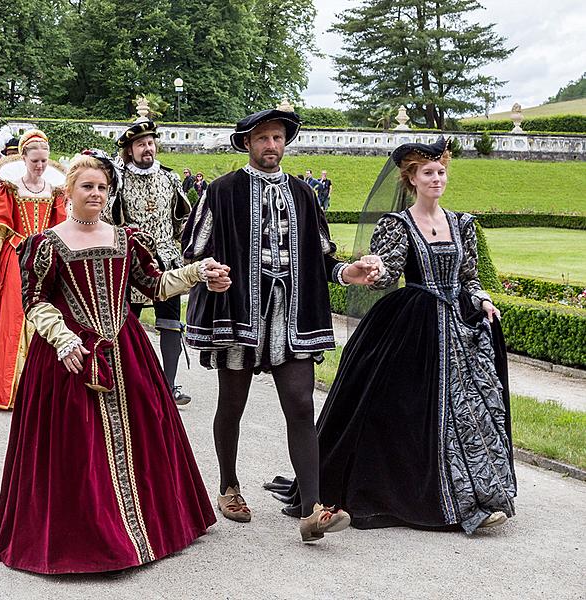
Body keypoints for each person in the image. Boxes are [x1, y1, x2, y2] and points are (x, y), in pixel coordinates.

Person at [0, 152, 230, 574]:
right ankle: (83, 538)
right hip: (69, 357)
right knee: (74, 450)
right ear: (70, 191)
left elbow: (155, 285)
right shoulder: (47, 244)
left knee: (147, 435)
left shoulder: (126, 238)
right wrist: (63, 339)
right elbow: (36, 302)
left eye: (102, 187)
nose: (96, 193)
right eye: (88, 186)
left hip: (126, 349)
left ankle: (145, 528)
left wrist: (198, 271)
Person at [278, 137, 516, 533]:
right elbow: (386, 275)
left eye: (441, 171)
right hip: (415, 326)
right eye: (428, 173)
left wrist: (483, 300)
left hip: (460, 329)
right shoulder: (397, 225)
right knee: (410, 412)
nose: (437, 178)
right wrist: (371, 267)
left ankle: (481, 497)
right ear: (411, 179)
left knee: (473, 411)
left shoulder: (462, 224)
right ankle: (429, 496)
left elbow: (469, 278)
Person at [181, 108, 383, 542]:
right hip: (237, 313)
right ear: (247, 144)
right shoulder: (221, 191)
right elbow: (192, 250)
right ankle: (228, 486)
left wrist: (348, 273)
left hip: (292, 317)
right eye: (262, 138)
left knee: (301, 404)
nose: (271, 145)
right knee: (232, 404)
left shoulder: (304, 194)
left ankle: (313, 509)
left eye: (277, 138)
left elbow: (323, 257)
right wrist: (208, 272)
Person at [0, 129, 67, 409]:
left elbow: (61, 230)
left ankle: (43, 390)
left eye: (44, 160)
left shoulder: (54, 190)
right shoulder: (10, 189)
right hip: (14, 258)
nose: (40, 165)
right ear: (24, 158)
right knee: (14, 320)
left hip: (45, 258)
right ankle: (14, 387)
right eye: (35, 161)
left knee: (47, 317)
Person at [106, 118, 192, 404]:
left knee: (170, 322)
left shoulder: (170, 178)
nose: (147, 149)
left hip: (167, 262)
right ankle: (122, 382)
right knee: (123, 322)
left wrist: (185, 252)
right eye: (141, 144)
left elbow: (181, 220)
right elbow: (108, 220)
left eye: (151, 143)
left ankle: (169, 386)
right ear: (129, 150)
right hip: (130, 264)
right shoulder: (117, 180)